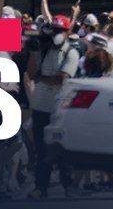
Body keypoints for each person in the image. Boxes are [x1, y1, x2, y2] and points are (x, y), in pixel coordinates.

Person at [27, 15, 78, 198]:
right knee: (41, 148)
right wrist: (33, 52)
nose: (57, 34)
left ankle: (68, 185)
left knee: (62, 147)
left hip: (59, 108)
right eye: (55, 30)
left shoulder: (70, 52)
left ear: (67, 32)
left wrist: (42, 78)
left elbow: (63, 78)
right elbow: (32, 74)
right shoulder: (44, 49)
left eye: (60, 31)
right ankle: (41, 187)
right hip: (40, 105)